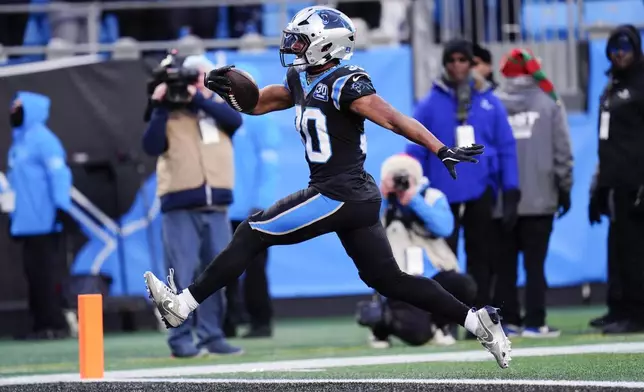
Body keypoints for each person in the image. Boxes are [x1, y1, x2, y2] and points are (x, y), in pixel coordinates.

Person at [144, 6, 511, 369]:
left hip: (339, 192)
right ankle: (476, 321)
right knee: (390, 279)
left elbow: (394, 119)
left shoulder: (345, 81)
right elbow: (257, 104)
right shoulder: (300, 79)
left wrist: (440, 148)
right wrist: (230, 93)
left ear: (325, 44)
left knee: (252, 231)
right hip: (350, 195)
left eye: (300, 41)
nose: (293, 47)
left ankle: (182, 305)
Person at [406, 39, 519, 313]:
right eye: (451, 60)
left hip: (481, 189)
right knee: (446, 259)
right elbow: (414, 147)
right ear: (445, 64)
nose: (457, 65)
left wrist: (511, 189)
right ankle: (448, 318)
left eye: (463, 60)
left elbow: (506, 147)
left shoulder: (489, 102)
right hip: (442, 194)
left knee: (482, 256)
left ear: (471, 63)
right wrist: (408, 187)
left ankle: (480, 317)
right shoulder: (430, 104)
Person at [142, 54, 243, 357]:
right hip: (179, 205)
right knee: (180, 276)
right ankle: (180, 340)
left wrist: (197, 98)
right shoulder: (167, 110)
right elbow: (151, 146)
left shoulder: (216, 106)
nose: (195, 81)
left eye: (201, 75)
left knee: (216, 275)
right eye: (192, 75)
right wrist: (160, 105)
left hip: (217, 206)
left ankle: (212, 336)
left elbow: (235, 120)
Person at [356, 153, 477, 348]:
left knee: (464, 285)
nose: (400, 182)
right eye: (396, 178)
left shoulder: (432, 197)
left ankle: (439, 326)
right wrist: (384, 198)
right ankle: (380, 324)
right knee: (417, 335)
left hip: (434, 273)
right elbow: (366, 227)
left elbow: (444, 227)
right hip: (400, 278)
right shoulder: (377, 201)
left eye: (405, 177)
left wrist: (414, 200)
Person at [493, 48, 573, 338]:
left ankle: (508, 322)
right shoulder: (549, 102)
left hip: (503, 201)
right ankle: (535, 322)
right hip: (541, 200)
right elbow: (562, 151)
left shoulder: (494, 103)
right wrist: (565, 187)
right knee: (535, 267)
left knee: (505, 268)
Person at [588, 24, 644, 334]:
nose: (619, 52)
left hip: (637, 181)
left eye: (625, 47)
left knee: (635, 252)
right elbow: (606, 141)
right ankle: (620, 308)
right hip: (616, 181)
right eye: (614, 47)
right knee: (619, 249)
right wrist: (598, 185)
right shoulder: (612, 84)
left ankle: (637, 314)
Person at [8, 92, 72, 340]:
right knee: (33, 276)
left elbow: (60, 175)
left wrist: (60, 207)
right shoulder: (19, 144)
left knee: (47, 275)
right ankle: (39, 324)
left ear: (31, 109)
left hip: (45, 221)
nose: (13, 110)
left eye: (18, 106)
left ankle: (54, 325)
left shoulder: (45, 140)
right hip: (25, 223)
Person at [224, 66, 281, 339]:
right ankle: (228, 321)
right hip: (225, 203)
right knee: (223, 266)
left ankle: (261, 320)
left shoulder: (259, 116)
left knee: (254, 267)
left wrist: (261, 201)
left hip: (251, 207)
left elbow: (269, 163)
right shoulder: (219, 113)